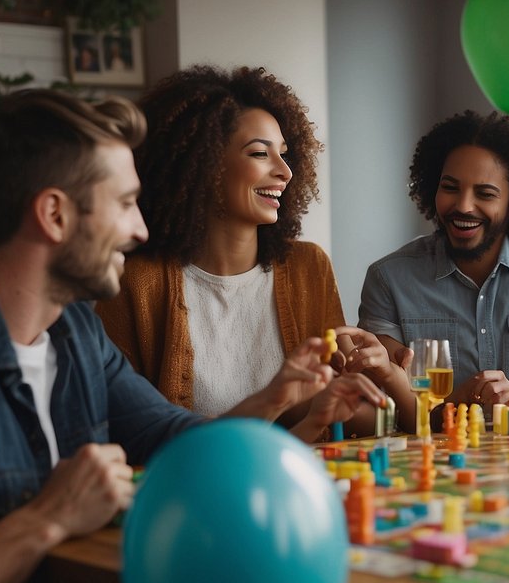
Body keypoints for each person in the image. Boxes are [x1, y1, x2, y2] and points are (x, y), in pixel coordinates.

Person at [0, 89, 381, 583]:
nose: (141, 228)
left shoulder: (73, 331)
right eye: (125, 204)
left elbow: (171, 440)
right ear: (54, 215)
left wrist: (273, 398)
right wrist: (46, 519)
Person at [96, 65, 397, 434]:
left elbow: (346, 415)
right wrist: (282, 405)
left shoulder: (309, 268)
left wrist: (379, 385)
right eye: (260, 154)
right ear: (204, 165)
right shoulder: (138, 283)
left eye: (285, 154)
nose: (285, 171)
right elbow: (129, 432)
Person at [359, 109, 509, 419]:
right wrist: (458, 401)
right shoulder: (389, 279)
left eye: (485, 193)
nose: (464, 206)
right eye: (450, 188)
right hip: (428, 462)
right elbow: (380, 406)